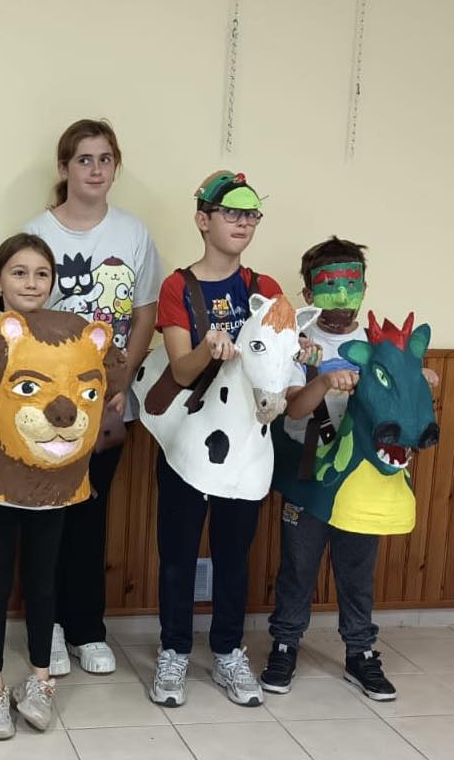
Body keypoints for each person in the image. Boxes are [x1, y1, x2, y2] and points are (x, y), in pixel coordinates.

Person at [0, 233, 121, 739]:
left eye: (42, 274)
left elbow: (103, 392)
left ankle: (40, 681)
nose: (31, 283)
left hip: (54, 486)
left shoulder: (77, 339)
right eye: (19, 272)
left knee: (43, 584)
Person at [260, 236, 439, 700]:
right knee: (298, 565)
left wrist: (417, 377)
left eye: (351, 285)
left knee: (357, 568)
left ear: (363, 288)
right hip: (307, 475)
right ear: (308, 292)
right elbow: (293, 409)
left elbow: (407, 396)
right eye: (328, 286)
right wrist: (323, 380)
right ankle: (285, 644)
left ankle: (360, 652)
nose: (341, 297)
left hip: (361, 480)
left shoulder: (377, 346)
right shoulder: (296, 341)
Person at [25, 118, 163, 675]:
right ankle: (50, 628)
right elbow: (23, 310)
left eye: (105, 159)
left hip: (109, 403)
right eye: (84, 159)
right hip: (52, 407)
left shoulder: (133, 233)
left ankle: (87, 629)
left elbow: (146, 311)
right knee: (49, 519)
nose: (96, 169)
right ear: (64, 168)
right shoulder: (38, 231)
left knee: (91, 516)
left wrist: (123, 378)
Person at [150, 170, 286, 709]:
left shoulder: (265, 289)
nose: (243, 223)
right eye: (232, 213)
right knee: (178, 553)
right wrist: (209, 347)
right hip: (189, 441)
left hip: (246, 448)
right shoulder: (178, 287)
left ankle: (229, 650)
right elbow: (181, 370)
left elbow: (279, 360)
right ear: (203, 220)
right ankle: (174, 650)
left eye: (251, 214)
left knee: (234, 554)